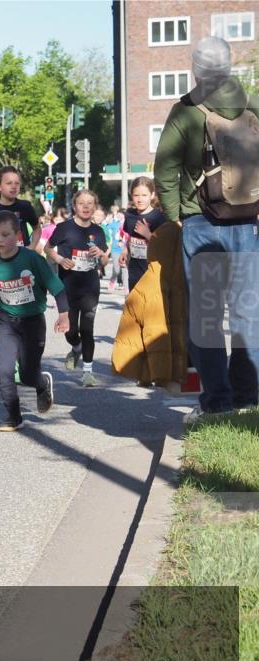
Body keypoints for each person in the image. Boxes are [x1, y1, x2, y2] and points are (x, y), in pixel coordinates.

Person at [154, 35, 259, 424]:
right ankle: (249, 397)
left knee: (208, 317)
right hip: (248, 222)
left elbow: (165, 169)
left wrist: (175, 213)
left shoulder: (187, 111)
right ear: (230, 67)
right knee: (249, 314)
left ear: (195, 68)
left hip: (202, 223)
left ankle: (217, 404)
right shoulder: (251, 104)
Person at [0, 210, 69, 431]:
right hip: (7, 322)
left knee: (29, 374)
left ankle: (42, 384)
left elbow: (56, 287)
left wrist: (64, 314)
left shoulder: (32, 259)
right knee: (4, 371)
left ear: (18, 235)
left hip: (33, 322)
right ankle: (13, 416)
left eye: (5, 234)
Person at [0, 167, 42, 355]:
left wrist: (32, 247)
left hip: (23, 265)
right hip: (1, 266)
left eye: (17, 183)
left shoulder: (25, 207)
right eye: (8, 183)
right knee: (5, 311)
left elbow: (37, 228)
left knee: (24, 310)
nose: (14, 187)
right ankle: (7, 353)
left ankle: (21, 353)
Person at [45, 190, 109, 386]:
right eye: (82, 203)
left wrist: (100, 254)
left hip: (90, 286)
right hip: (68, 286)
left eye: (90, 203)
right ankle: (76, 347)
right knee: (70, 330)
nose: (86, 206)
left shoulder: (98, 231)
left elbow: (105, 260)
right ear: (75, 206)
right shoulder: (64, 228)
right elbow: (47, 248)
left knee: (87, 327)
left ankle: (88, 373)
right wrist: (60, 259)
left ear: (95, 206)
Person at [118, 177, 166, 293]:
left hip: (153, 272)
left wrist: (148, 234)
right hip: (134, 270)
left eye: (144, 195)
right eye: (136, 195)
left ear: (152, 195)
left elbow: (165, 247)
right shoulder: (129, 215)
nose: (140, 199)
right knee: (134, 306)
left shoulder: (159, 217)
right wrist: (125, 251)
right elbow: (130, 237)